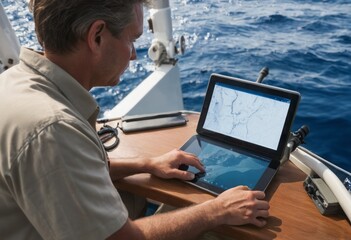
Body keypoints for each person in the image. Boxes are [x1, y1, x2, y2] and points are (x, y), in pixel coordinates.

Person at [0, 0, 270, 239]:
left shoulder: (15, 81)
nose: (133, 54)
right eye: (132, 39)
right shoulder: (53, 129)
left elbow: (76, 169)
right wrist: (216, 211)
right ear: (96, 37)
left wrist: (149, 164)